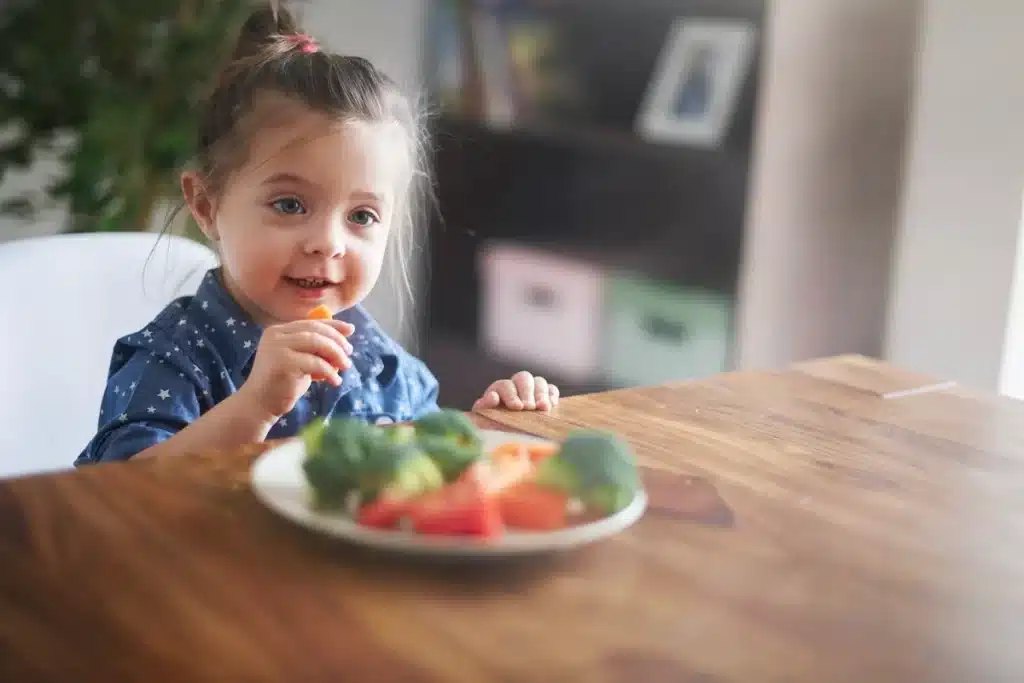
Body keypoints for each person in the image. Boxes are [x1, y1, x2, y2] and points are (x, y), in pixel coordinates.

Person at [75, 6, 558, 466]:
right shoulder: (174, 358)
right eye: (290, 205)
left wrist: (491, 431)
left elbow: (422, 485)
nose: (328, 243)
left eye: (362, 216)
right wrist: (256, 406)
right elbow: (118, 495)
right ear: (206, 205)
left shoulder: (385, 366)